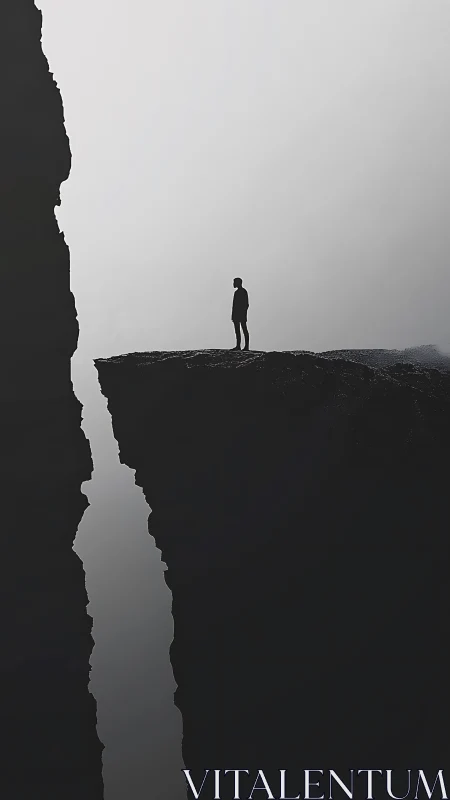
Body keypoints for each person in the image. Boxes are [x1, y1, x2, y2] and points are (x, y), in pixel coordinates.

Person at [231, 277, 249, 351]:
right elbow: (234, 305)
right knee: (237, 330)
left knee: (244, 329)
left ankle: (246, 346)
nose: (233, 284)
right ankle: (238, 346)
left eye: (234, 282)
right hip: (236, 314)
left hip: (241, 314)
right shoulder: (236, 292)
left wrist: (243, 313)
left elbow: (246, 304)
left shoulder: (243, 291)